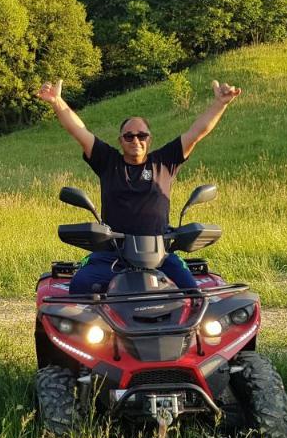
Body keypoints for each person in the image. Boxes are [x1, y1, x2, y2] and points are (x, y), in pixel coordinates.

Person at [36, 77, 241, 295]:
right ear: (120, 140)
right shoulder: (108, 162)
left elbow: (196, 133)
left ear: (149, 139)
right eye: (129, 136)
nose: (136, 140)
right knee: (80, 286)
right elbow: (79, 131)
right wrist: (57, 102)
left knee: (191, 292)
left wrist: (220, 103)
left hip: (159, 252)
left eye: (142, 135)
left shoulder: (164, 161)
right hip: (112, 252)